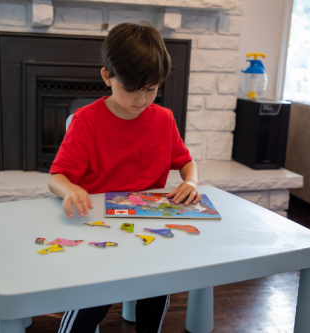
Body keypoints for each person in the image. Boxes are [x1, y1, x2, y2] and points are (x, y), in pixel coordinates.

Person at [48, 21, 201, 333]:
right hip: (99, 229)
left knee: (159, 286)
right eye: (131, 90)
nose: (142, 101)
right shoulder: (86, 122)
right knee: (94, 300)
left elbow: (186, 162)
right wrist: (70, 190)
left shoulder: (163, 119)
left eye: (151, 89)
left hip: (149, 228)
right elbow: (57, 177)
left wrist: (191, 181)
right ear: (107, 76)